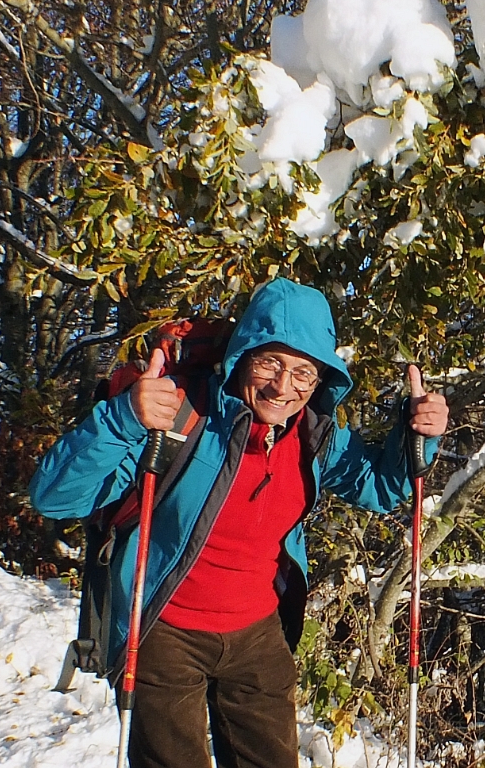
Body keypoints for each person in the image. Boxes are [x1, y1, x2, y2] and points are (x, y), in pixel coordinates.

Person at [30, 278, 448, 768]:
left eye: (303, 372)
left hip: (256, 632)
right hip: (165, 629)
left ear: (321, 380)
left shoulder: (314, 436)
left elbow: (382, 488)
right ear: (242, 355)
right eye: (269, 362)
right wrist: (123, 419)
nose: (282, 386)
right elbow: (55, 497)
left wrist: (417, 437)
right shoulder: (181, 416)